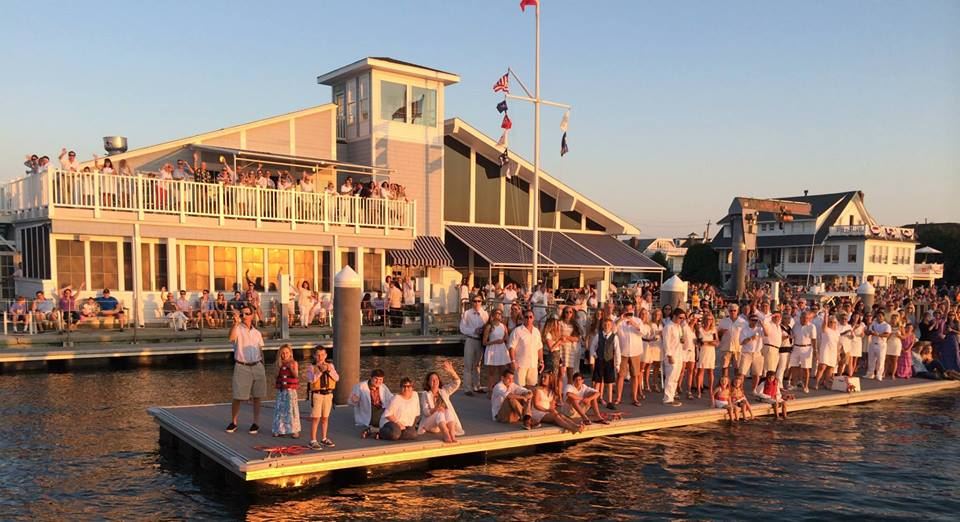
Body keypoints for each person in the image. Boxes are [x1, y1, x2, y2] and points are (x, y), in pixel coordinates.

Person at [226, 306, 266, 435]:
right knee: (238, 396)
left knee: (257, 396)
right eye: (242, 314)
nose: (244, 316)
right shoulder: (237, 328)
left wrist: (262, 366)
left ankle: (256, 422)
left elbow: (261, 350)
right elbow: (231, 338)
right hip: (242, 365)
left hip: (257, 365)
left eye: (247, 313)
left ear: (252, 315)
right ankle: (234, 421)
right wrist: (235, 323)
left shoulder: (257, 333)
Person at [418, 361, 463, 443]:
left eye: (436, 379)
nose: (435, 381)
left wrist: (451, 371)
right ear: (428, 382)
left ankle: (452, 434)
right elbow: (425, 412)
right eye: (432, 380)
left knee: (448, 410)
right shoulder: (425, 394)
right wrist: (436, 409)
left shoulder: (444, 391)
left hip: (441, 424)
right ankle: (446, 434)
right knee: (440, 413)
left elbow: (457, 382)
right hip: (429, 424)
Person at [306, 347, 338, 449]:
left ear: (326, 355)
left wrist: (328, 370)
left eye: (323, 355)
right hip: (317, 394)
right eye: (318, 355)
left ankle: (324, 438)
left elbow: (337, 378)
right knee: (316, 417)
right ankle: (313, 440)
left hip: (328, 394)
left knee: (325, 417)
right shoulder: (311, 367)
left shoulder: (330, 366)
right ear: (314, 356)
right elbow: (311, 380)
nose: (320, 357)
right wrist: (320, 371)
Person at [615, 303, 646, 406]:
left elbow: (643, 333)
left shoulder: (638, 320)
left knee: (635, 375)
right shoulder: (619, 320)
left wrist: (633, 323)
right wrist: (621, 320)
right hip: (623, 352)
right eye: (626, 309)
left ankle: (635, 398)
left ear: (633, 309)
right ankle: (618, 398)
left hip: (635, 352)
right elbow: (613, 330)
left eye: (630, 309)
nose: (628, 311)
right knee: (620, 376)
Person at [349, 368, 393, 439]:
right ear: (371, 378)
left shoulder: (383, 386)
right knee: (390, 419)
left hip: (381, 410)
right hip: (369, 413)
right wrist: (354, 401)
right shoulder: (360, 387)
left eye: (381, 379)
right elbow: (350, 403)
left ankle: (373, 431)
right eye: (376, 379)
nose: (378, 381)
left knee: (392, 415)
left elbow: (391, 398)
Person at [459, 296, 489, 395]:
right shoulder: (467, 313)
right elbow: (462, 328)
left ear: (481, 302)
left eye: (479, 301)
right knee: (468, 365)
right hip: (470, 340)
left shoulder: (485, 314)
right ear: (472, 302)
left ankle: (477, 386)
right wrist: (473, 331)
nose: (477, 303)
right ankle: (467, 388)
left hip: (480, 341)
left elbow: (488, 327)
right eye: (475, 301)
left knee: (477, 365)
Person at [589, 317, 621, 409]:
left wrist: (618, 364)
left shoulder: (614, 337)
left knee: (609, 382)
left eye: (609, 325)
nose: (607, 326)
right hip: (599, 361)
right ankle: (594, 400)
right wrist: (595, 355)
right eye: (605, 325)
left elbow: (617, 351)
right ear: (602, 326)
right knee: (597, 381)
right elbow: (592, 346)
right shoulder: (598, 336)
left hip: (609, 361)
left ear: (611, 326)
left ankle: (610, 401)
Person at [271, 344, 301, 438]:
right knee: (280, 410)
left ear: (290, 353)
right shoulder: (278, 363)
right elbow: (276, 376)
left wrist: (290, 367)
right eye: (282, 353)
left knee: (291, 410)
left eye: (287, 353)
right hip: (281, 391)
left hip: (290, 390)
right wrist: (279, 367)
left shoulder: (294, 363)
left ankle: (294, 430)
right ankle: (279, 429)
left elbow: (296, 375)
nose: (285, 355)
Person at [508, 310, 544, 388]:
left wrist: (541, 361)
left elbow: (539, 347)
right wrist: (513, 361)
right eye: (526, 317)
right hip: (520, 364)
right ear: (523, 318)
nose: (528, 319)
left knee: (531, 387)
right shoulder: (517, 331)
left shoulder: (536, 331)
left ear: (533, 318)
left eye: (530, 317)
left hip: (533, 364)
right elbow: (511, 347)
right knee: (520, 388)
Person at [378, 377, 420, 441]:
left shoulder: (415, 395)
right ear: (400, 388)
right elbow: (387, 415)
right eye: (404, 386)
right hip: (391, 422)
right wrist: (398, 423)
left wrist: (411, 427)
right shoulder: (396, 398)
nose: (406, 388)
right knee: (395, 434)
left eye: (408, 386)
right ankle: (380, 433)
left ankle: (396, 436)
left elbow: (417, 414)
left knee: (413, 434)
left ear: (412, 387)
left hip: (404, 425)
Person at [482, 309, 512, 395]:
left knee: (502, 371)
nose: (499, 315)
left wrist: (504, 339)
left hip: (501, 349)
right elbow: (484, 342)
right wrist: (495, 342)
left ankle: (501, 390)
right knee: (492, 372)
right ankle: (490, 391)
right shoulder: (489, 327)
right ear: (493, 315)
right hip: (492, 349)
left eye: (500, 314)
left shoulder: (503, 326)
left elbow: (506, 338)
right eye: (497, 314)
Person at [662, 308, 686, 406]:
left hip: (679, 354)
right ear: (674, 316)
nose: (682, 320)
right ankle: (667, 399)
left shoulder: (679, 327)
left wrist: (682, 340)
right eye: (680, 318)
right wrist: (669, 355)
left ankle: (671, 397)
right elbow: (666, 342)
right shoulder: (668, 327)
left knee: (675, 377)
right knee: (670, 377)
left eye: (683, 318)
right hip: (671, 355)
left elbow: (679, 340)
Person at [788, 311, 818, 393]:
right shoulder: (796, 325)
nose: (805, 319)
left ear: (809, 319)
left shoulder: (812, 326)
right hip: (796, 347)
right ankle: (794, 384)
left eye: (807, 318)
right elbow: (792, 335)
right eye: (804, 318)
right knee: (794, 367)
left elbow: (814, 340)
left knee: (806, 368)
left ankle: (806, 386)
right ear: (800, 318)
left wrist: (815, 350)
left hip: (806, 348)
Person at [717, 304, 747, 381]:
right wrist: (721, 332)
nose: (733, 312)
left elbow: (746, 335)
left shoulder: (743, 322)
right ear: (728, 311)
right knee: (725, 367)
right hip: (726, 347)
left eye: (734, 310)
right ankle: (725, 386)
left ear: (737, 311)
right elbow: (717, 334)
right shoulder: (723, 321)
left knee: (737, 369)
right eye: (731, 310)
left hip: (738, 348)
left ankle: (737, 387)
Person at [696, 312, 719, 400]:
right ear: (704, 319)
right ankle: (699, 390)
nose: (709, 321)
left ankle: (710, 390)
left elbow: (717, 342)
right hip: (702, 352)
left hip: (711, 352)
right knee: (700, 371)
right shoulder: (700, 329)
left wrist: (706, 342)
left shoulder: (714, 330)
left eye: (711, 319)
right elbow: (698, 342)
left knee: (710, 372)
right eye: (707, 319)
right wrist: (709, 343)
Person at [739, 314, 765, 391]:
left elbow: (766, 334)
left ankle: (754, 390)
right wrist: (750, 338)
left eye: (756, 320)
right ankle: (740, 389)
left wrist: (762, 324)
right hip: (746, 353)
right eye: (752, 320)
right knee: (742, 373)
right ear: (749, 320)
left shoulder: (760, 329)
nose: (754, 322)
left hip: (757, 353)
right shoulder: (744, 329)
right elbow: (741, 342)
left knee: (757, 374)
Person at [814, 316, 840, 390]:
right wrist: (826, 314)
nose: (832, 323)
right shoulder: (826, 329)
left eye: (834, 322)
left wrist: (838, 354)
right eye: (831, 322)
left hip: (833, 351)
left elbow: (838, 344)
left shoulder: (837, 332)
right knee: (822, 367)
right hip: (825, 350)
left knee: (830, 368)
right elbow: (824, 324)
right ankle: (816, 383)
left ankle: (826, 383)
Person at [866, 311, 891, 380]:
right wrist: (869, 330)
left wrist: (879, 334)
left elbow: (887, 334)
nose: (878, 317)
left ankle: (879, 374)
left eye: (880, 316)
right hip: (873, 343)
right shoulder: (873, 324)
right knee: (871, 359)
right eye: (877, 316)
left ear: (883, 317)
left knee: (880, 360)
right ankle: (870, 374)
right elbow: (869, 332)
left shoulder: (886, 325)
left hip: (881, 345)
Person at [885, 313, 904, 379]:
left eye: (895, 318)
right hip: (889, 343)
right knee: (887, 359)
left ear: (898, 319)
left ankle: (893, 374)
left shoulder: (900, 327)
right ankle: (884, 373)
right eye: (893, 318)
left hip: (896, 343)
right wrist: (889, 336)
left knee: (894, 360)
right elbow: (886, 335)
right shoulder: (888, 326)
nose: (894, 319)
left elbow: (904, 337)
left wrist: (899, 336)